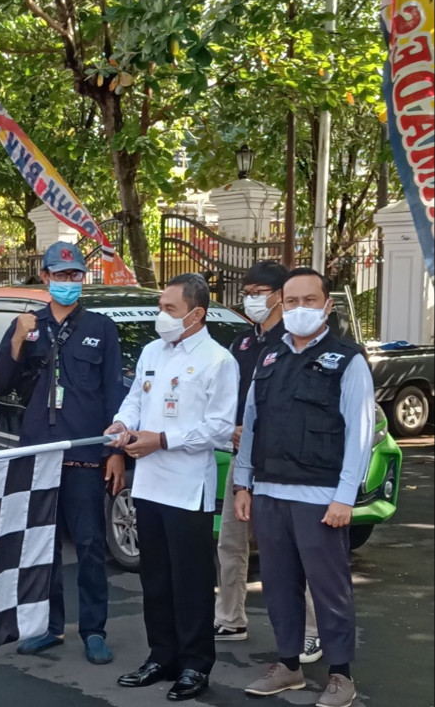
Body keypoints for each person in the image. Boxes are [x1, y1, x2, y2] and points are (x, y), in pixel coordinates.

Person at [233, 268, 372, 707]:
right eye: (291, 302)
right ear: (281, 305)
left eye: (309, 300)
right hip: (271, 492)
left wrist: (344, 497)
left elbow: (360, 432)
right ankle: (289, 666)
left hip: (319, 497)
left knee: (329, 589)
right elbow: (251, 425)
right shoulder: (269, 358)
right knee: (277, 584)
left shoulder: (347, 360)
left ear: (327, 305)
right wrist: (243, 484)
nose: (299, 309)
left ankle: (340, 675)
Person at [0, 241, 126, 666]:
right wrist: (17, 336)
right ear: (45, 276)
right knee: (42, 546)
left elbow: (114, 395)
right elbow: (2, 383)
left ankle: (94, 630)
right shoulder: (29, 325)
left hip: (86, 451)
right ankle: (49, 627)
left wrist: (115, 452)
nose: (69, 282)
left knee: (89, 544)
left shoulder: (101, 327)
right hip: (39, 451)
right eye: (61, 275)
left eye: (75, 275)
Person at [106, 273, 238, 701]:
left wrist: (163, 439)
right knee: (156, 578)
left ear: (196, 314)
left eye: (170, 310)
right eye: (160, 307)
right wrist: (123, 424)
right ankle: (161, 655)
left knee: (191, 580)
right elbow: (136, 399)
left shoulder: (219, 360)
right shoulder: (152, 351)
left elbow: (219, 429)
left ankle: (195, 665)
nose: (161, 317)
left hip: (186, 488)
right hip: (149, 485)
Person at [214, 261, 323, 663]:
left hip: (286, 460)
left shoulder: (296, 341)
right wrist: (231, 428)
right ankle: (230, 616)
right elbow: (227, 396)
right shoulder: (242, 343)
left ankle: (313, 630)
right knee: (231, 540)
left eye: (259, 291)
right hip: (244, 455)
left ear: (278, 295)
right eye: (247, 291)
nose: (251, 299)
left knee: (298, 549)